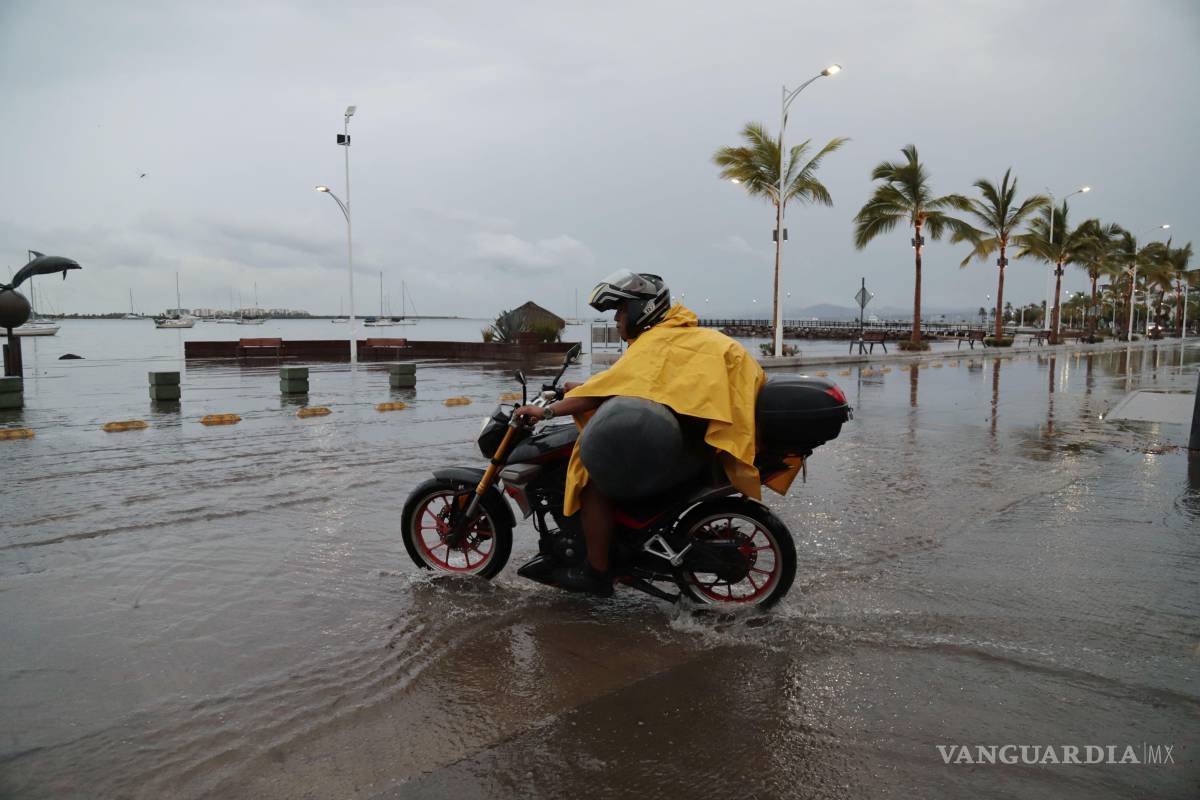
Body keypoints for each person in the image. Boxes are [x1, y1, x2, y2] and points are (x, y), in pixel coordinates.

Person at [514, 270, 768, 596]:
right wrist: (584, 388)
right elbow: (639, 386)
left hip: (687, 448)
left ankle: (597, 571)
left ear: (640, 309)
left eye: (621, 310)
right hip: (700, 442)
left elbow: (622, 387)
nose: (618, 319)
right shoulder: (676, 336)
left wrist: (544, 411)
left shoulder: (658, 342)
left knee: (591, 481)